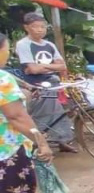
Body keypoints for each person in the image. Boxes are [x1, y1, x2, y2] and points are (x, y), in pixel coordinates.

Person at [0, 32, 56, 193]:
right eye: (7, 47)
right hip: (7, 152)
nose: (9, 51)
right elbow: (16, 116)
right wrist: (42, 143)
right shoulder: (3, 80)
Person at [15, 12, 76, 152]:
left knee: (61, 112)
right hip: (33, 84)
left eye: (43, 26)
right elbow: (33, 70)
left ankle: (62, 141)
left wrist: (42, 67)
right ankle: (39, 142)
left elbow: (62, 66)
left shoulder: (49, 45)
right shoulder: (23, 44)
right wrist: (48, 67)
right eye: (36, 27)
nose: (40, 30)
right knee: (41, 113)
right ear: (27, 28)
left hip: (53, 82)